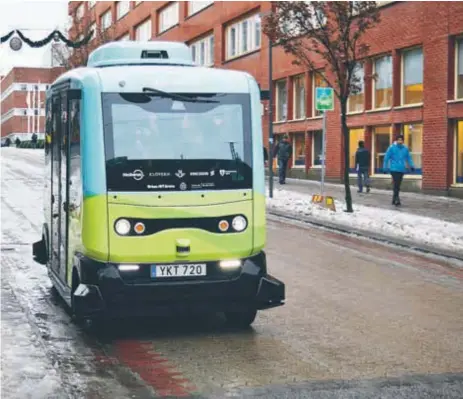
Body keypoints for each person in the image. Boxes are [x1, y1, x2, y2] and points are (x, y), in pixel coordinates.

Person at [383, 134, 415, 206]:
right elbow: (386, 158)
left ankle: (394, 199)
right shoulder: (391, 148)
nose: (400, 141)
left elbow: (408, 158)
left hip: (401, 169)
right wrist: (385, 168)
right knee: (396, 184)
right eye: (399, 139)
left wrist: (412, 166)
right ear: (396, 140)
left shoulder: (405, 148)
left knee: (397, 184)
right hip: (394, 169)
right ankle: (397, 199)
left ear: (403, 141)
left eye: (401, 140)